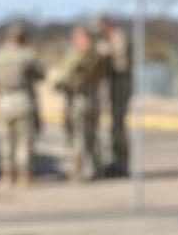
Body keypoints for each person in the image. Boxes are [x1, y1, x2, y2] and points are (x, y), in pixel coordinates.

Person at [0, 23, 44, 186]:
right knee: (24, 140)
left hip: (3, 100)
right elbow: (41, 74)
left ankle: (6, 174)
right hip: (23, 99)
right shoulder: (28, 54)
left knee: (5, 140)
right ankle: (23, 174)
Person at [56, 25, 104, 182]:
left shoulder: (77, 55)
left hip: (78, 100)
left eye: (75, 37)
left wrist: (59, 84)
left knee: (78, 137)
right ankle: (96, 169)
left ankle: (77, 171)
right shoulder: (98, 53)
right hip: (93, 99)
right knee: (92, 136)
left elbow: (64, 78)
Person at [95, 14, 131, 177]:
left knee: (118, 127)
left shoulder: (117, 37)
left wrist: (105, 53)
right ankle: (115, 163)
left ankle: (120, 165)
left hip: (120, 84)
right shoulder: (111, 38)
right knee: (113, 127)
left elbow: (121, 63)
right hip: (113, 85)